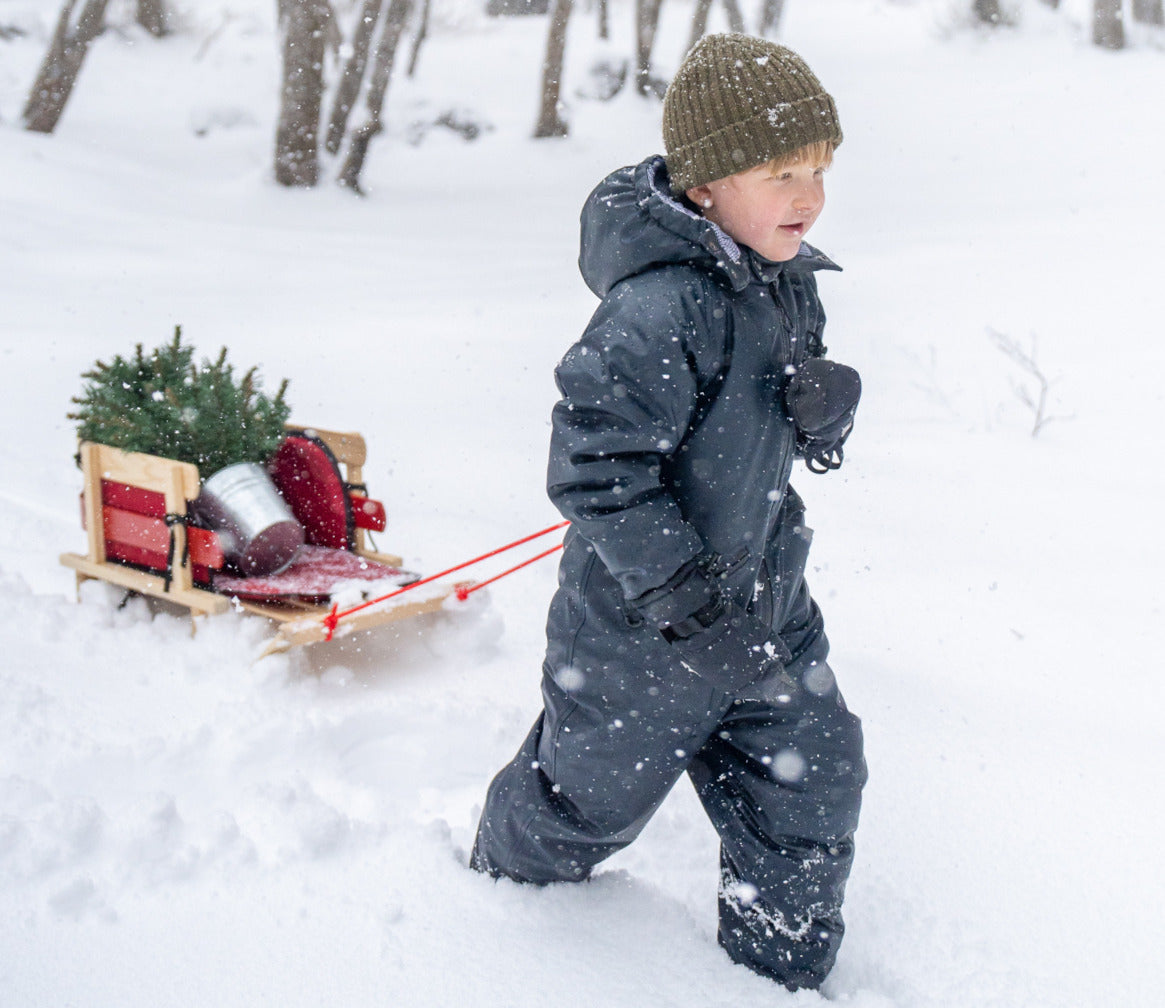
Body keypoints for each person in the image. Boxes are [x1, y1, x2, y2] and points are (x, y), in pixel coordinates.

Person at [471, 33, 867, 991]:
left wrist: (820, 412)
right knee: (585, 805)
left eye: (818, 167)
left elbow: (758, 433)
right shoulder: (655, 312)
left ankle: (776, 972)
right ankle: (489, 898)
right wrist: (685, 608)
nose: (807, 195)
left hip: (767, 609)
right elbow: (598, 471)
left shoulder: (786, 276)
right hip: (636, 638)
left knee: (814, 782)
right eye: (780, 172)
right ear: (703, 187)